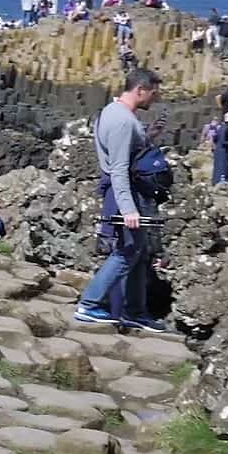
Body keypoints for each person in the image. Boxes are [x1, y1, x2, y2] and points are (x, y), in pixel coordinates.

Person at [74, 67, 165, 330]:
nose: (154, 99)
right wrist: (128, 209)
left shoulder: (115, 114)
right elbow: (119, 168)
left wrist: (147, 138)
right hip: (124, 195)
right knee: (126, 252)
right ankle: (90, 305)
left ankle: (134, 312)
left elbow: (126, 155)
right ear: (140, 90)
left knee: (137, 251)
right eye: (153, 94)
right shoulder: (123, 121)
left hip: (128, 192)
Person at [209, 111, 228, 185]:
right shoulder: (226, 128)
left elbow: (215, 138)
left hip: (219, 150)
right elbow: (223, 141)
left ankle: (217, 181)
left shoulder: (221, 127)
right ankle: (223, 181)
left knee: (219, 166)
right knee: (223, 166)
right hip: (223, 151)